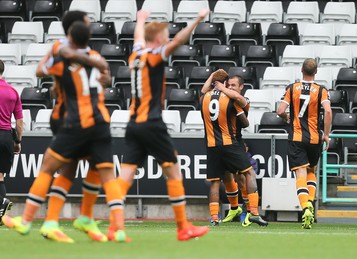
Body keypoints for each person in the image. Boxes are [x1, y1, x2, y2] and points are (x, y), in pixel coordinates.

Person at [3, 21, 129, 243]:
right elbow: (107, 77)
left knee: (51, 167)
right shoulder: (97, 58)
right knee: (102, 173)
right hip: (101, 123)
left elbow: (41, 70)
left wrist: (60, 54)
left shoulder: (63, 61)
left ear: (70, 38)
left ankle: (28, 220)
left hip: (74, 123)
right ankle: (114, 227)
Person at [112, 9, 210, 241]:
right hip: (152, 123)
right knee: (174, 171)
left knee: (125, 178)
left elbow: (138, 38)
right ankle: (183, 227)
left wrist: (141, 21)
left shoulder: (135, 55)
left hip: (133, 124)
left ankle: (114, 226)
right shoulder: (155, 55)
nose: (167, 38)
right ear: (157, 39)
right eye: (164, 34)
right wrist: (197, 20)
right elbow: (179, 41)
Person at [201, 73, 267, 228]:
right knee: (229, 177)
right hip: (229, 142)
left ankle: (246, 210)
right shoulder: (229, 99)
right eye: (228, 85)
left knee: (238, 178)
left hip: (230, 142)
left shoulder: (234, 99)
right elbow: (245, 123)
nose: (230, 88)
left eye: (233, 86)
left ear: (241, 87)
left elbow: (244, 122)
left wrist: (219, 85)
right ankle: (239, 209)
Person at [277, 58, 332, 229]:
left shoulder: (292, 88)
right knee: (311, 171)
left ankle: (305, 207)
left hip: (297, 137)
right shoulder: (321, 90)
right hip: (314, 138)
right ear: (315, 72)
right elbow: (328, 111)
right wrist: (327, 135)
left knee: (300, 174)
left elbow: (280, 111)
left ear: (301, 70)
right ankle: (310, 204)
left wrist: (287, 117)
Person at [0, 59, 23, 224]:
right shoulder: (13, 92)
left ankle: (1, 203)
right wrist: (18, 141)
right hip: (6, 137)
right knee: (0, 176)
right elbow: (20, 123)